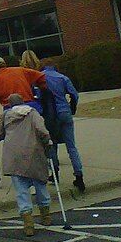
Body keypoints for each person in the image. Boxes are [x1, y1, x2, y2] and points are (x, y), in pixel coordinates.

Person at [0, 93, 52, 237]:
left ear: (10, 104)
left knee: (21, 190)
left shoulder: (6, 115)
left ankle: (28, 224)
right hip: (33, 153)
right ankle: (46, 216)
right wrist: (47, 142)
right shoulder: (32, 113)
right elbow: (41, 130)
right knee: (40, 184)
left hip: (13, 156)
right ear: (23, 102)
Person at [41, 58, 84, 191]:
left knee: (52, 145)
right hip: (64, 111)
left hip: (51, 114)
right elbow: (74, 95)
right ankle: (79, 175)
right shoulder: (63, 78)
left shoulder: (41, 78)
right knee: (71, 146)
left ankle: (55, 173)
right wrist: (72, 107)